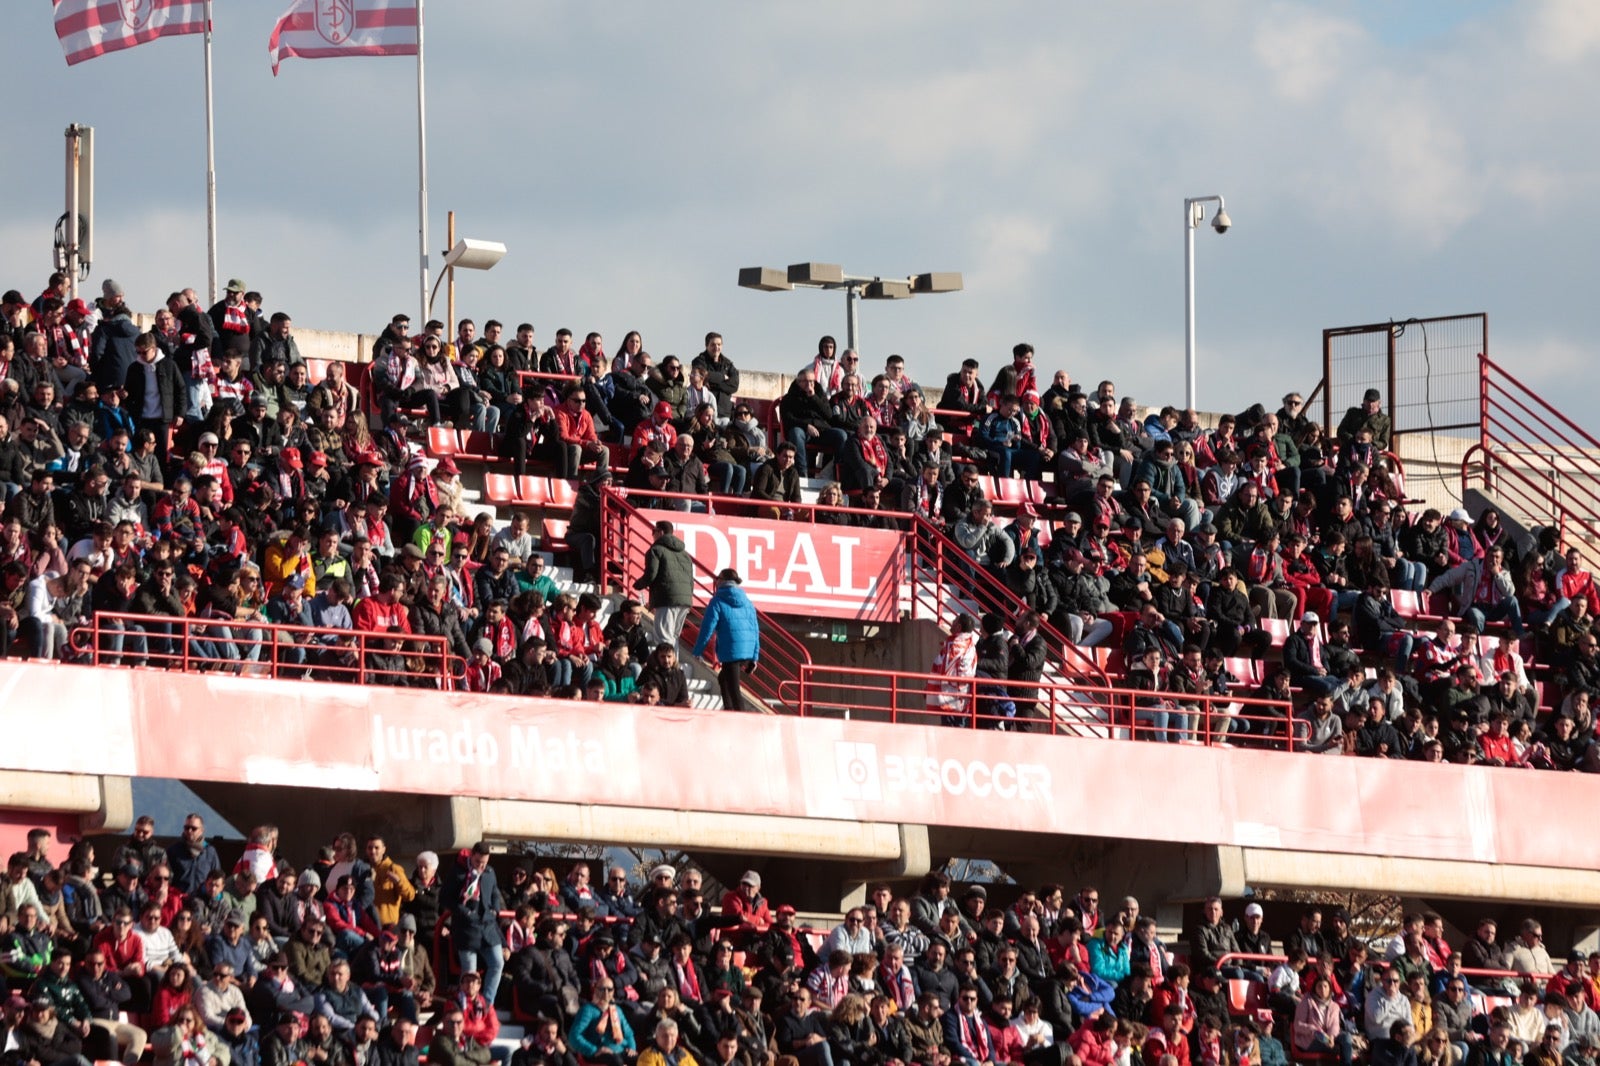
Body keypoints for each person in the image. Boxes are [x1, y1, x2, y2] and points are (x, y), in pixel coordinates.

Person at [693, 568, 760, 712]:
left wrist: (697, 651)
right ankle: (729, 709)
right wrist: (754, 657)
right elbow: (755, 629)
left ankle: (739, 717)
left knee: (734, 690)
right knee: (723, 678)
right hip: (747, 650)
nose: (716, 581)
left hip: (731, 650)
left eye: (718, 578)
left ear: (723, 581)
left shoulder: (717, 601)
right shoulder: (747, 602)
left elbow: (707, 628)